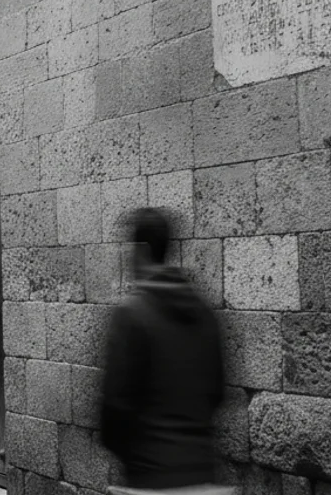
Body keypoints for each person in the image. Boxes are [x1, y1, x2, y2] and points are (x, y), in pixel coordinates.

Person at [100, 208, 228, 495]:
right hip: (203, 475)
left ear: (141, 249)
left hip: (152, 477)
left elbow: (115, 406)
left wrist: (133, 457)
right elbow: (217, 393)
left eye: (128, 248)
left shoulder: (131, 314)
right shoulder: (205, 313)